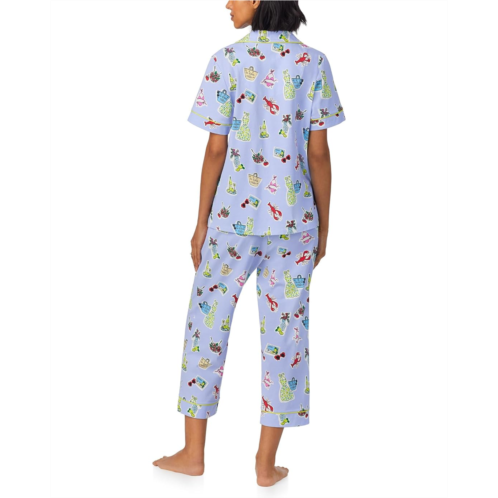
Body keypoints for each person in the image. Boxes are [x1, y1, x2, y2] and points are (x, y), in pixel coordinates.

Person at [153, 0, 345, 487]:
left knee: (206, 327)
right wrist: (323, 225)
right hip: (295, 223)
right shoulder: (313, 62)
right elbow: (319, 154)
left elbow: (216, 148)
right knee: (286, 339)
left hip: (231, 222)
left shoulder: (227, 60)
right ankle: (265, 464)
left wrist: (201, 222)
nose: (226, 3)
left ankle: (192, 453)